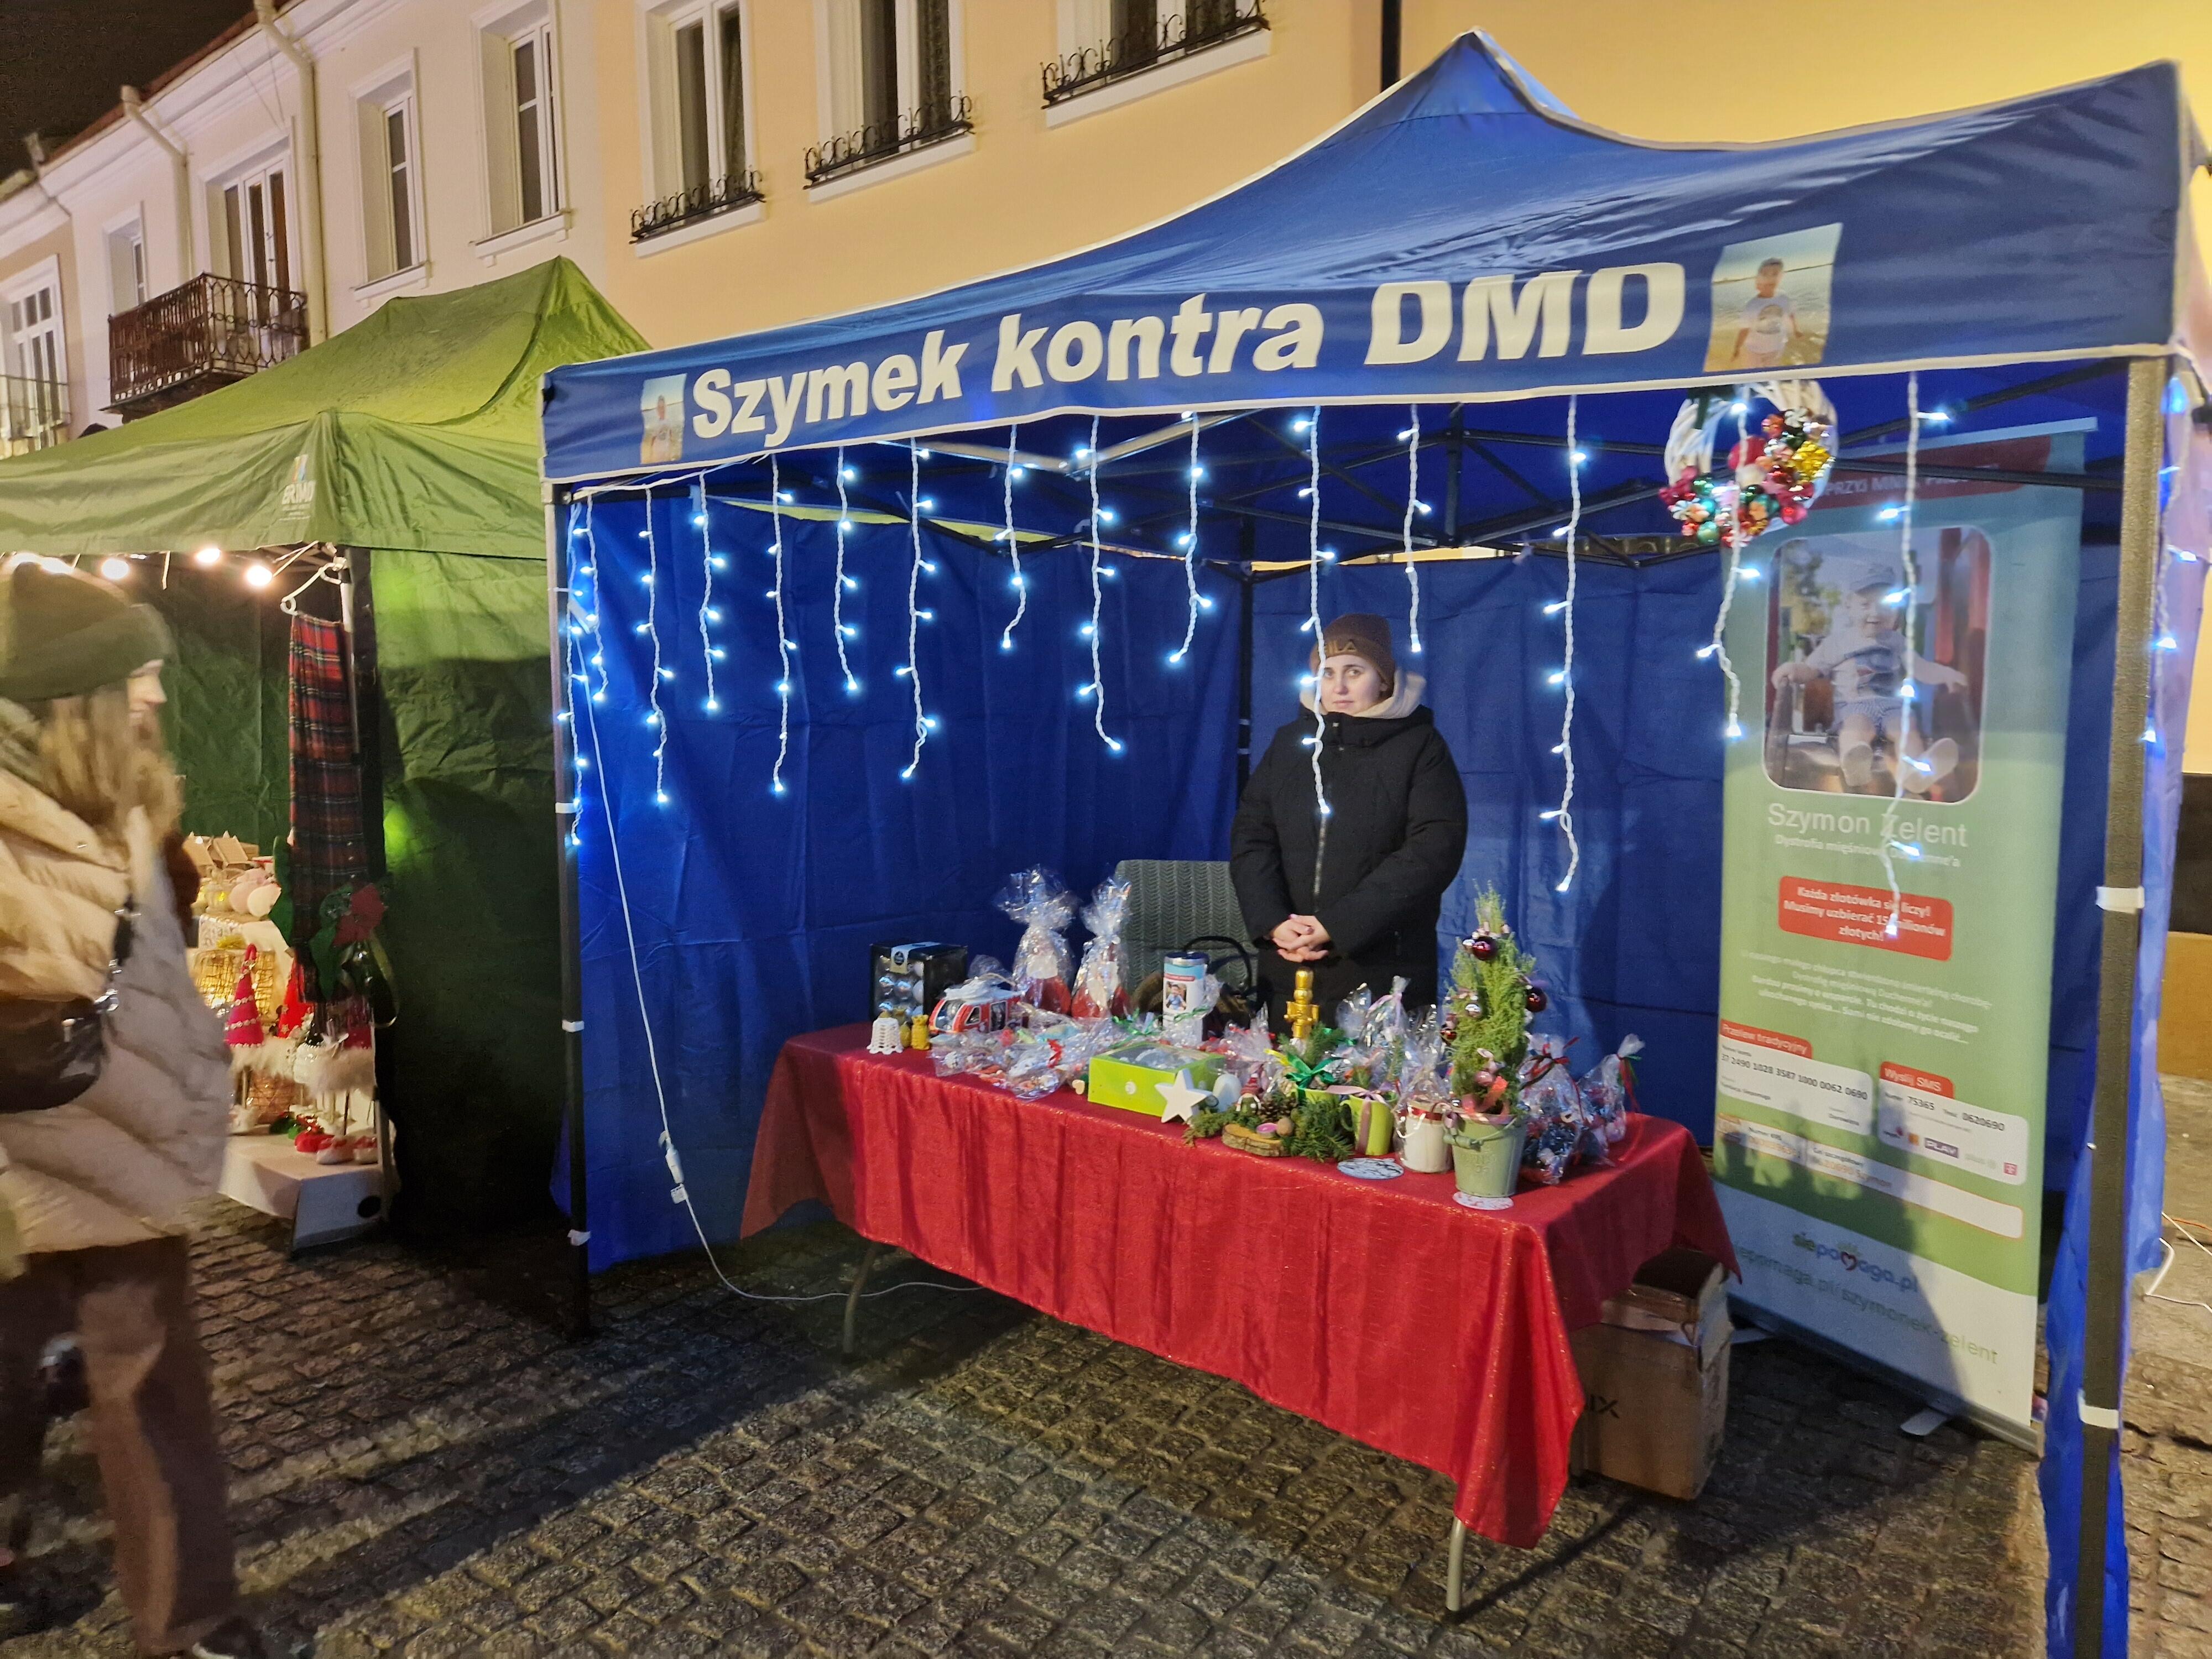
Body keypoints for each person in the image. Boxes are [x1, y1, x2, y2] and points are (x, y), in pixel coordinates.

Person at [0, 557, 265, 1658]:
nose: (157, 690)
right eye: (135, 674)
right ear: (75, 696)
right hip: (17, 1160)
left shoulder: (137, 802)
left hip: (122, 1150)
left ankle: (191, 1623)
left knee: (153, 1388)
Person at [1230, 613, 1467, 1027]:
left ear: (1384, 680)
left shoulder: (1420, 746)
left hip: (1382, 969)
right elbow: (1252, 836)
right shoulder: (1289, 744)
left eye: (1354, 672)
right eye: (1328, 673)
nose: (1338, 687)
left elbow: (1433, 850)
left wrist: (1336, 925)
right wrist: (1272, 921)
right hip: (1289, 961)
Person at [1771, 566, 1967, 794]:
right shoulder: (1839, 642)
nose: (1875, 613)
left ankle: (1916, 773)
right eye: (1865, 605)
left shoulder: (1897, 641)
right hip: (1855, 706)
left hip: (1893, 706)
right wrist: (1793, 670)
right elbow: (1811, 669)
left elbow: (1921, 668)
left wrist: (1947, 675)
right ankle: (1854, 763)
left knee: (1907, 730)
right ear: (1849, 606)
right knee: (1856, 729)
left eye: (1885, 605)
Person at [1730, 257, 1804, 371]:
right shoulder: (1752, 306)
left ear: (1781, 277)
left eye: (1775, 274)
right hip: (1755, 350)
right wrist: (1737, 348)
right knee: (1754, 373)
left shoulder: (1784, 299)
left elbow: (1791, 314)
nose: (1770, 278)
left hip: (1777, 347)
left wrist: (1796, 330)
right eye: (1765, 274)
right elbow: (1744, 330)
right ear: (1758, 280)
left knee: (1772, 373)